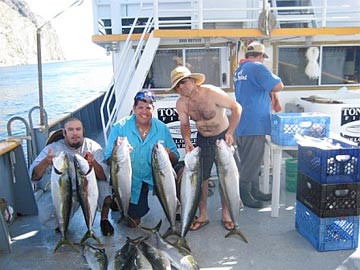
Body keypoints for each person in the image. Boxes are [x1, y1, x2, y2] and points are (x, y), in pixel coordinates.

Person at [170, 66, 242, 231]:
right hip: (203, 140)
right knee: (201, 178)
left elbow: (236, 108)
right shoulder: (181, 103)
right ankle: (203, 214)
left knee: (226, 176)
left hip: (223, 137)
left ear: (193, 81)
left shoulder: (212, 93)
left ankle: (226, 213)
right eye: (177, 86)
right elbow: (185, 124)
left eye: (183, 82)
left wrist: (230, 132)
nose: (181, 87)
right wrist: (187, 139)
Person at [104, 90, 180, 228]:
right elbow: (108, 158)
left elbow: (176, 158)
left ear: (153, 109)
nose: (144, 111)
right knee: (133, 223)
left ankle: (177, 210)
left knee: (183, 172)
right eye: (140, 107)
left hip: (157, 175)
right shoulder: (120, 127)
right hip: (133, 180)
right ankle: (120, 202)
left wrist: (169, 154)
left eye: (148, 108)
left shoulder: (162, 128)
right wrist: (119, 151)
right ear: (133, 109)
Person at [29, 117, 114, 236]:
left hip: (87, 188)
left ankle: (104, 220)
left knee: (105, 187)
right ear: (64, 133)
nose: (75, 133)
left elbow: (104, 176)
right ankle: (62, 222)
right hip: (67, 190)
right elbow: (34, 176)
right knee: (45, 215)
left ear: (83, 131)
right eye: (70, 130)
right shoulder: (52, 148)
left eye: (78, 129)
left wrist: (93, 163)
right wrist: (46, 161)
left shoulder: (93, 147)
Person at [233, 41, 284, 208]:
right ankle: (244, 195)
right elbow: (278, 85)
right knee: (252, 162)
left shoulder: (239, 69)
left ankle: (254, 190)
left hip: (242, 123)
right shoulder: (257, 67)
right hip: (255, 123)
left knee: (250, 161)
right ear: (261, 56)